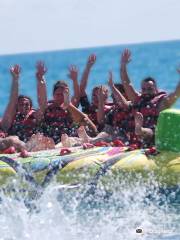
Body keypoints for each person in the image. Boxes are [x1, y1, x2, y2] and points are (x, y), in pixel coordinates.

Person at [120, 49, 180, 145]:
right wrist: (123, 65)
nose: (147, 91)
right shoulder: (137, 99)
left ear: (156, 89)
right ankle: (138, 130)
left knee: (151, 131)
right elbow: (126, 83)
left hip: (156, 137)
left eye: (150, 89)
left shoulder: (162, 102)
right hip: (137, 140)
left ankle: (140, 129)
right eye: (144, 89)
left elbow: (177, 92)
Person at [36, 62, 97, 144]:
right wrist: (40, 80)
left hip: (70, 139)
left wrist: (75, 80)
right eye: (58, 95)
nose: (60, 97)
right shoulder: (48, 107)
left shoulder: (71, 107)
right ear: (53, 95)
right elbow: (42, 97)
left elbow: (77, 95)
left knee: (85, 119)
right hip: (53, 141)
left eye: (63, 95)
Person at [1, 65, 41, 142]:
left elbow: (42, 103)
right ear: (17, 107)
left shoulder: (35, 117)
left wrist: (40, 80)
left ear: (30, 107)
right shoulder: (10, 120)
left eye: (26, 104)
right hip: (15, 147)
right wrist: (15, 79)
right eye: (21, 104)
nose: (24, 107)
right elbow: (13, 99)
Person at [79, 54, 112, 130]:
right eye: (94, 95)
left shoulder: (111, 108)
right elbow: (82, 89)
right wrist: (88, 68)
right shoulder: (88, 108)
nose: (96, 98)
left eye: (99, 95)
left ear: (106, 96)